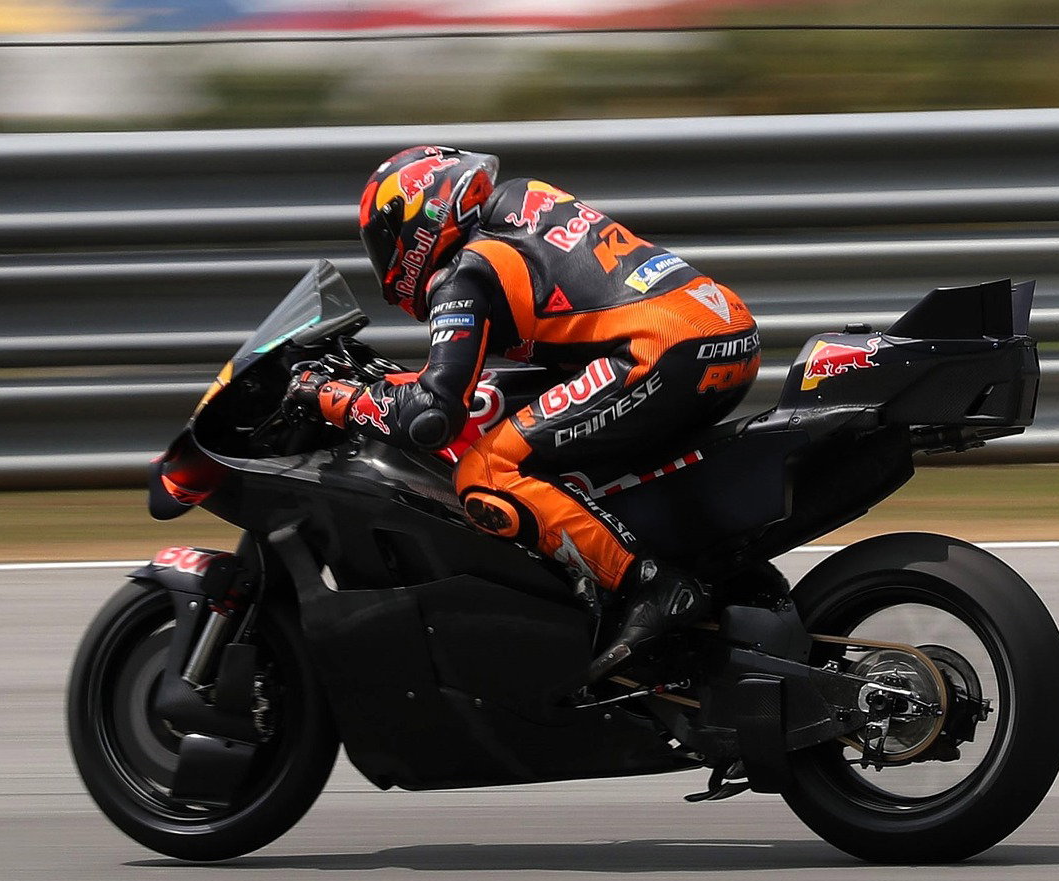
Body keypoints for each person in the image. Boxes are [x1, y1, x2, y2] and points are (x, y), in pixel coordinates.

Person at [293, 145, 760, 683]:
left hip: (660, 353)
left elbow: (432, 417)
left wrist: (329, 396)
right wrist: (383, 384)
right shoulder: (520, 207)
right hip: (721, 333)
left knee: (487, 472)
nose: (386, 257)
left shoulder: (466, 271)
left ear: (417, 218)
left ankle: (652, 586)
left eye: (383, 239)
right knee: (540, 441)